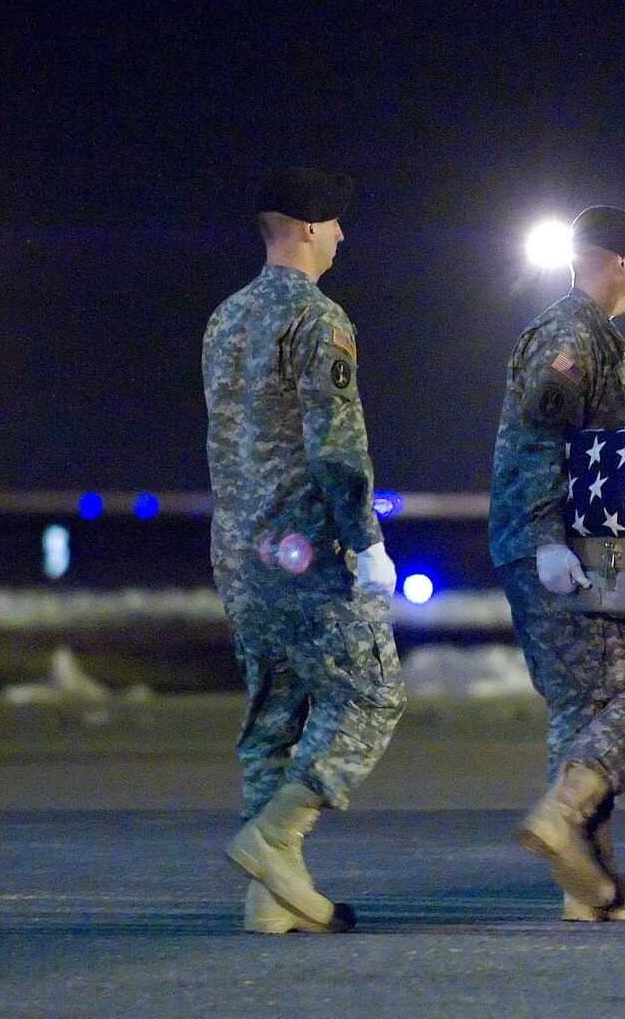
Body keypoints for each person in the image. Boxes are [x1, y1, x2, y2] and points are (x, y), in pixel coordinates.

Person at [201, 167, 406, 935]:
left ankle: (270, 901)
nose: (345, 237)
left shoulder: (225, 319)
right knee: (372, 693)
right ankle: (276, 835)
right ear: (312, 229)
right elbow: (337, 446)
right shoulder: (318, 320)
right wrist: (367, 541)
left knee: (273, 712)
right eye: (338, 224)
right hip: (302, 547)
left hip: (237, 547)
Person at [489, 205, 625, 921]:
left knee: (583, 708)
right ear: (616, 263)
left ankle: (592, 886)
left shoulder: (592, 337)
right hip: (558, 547)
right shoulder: (571, 336)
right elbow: (542, 439)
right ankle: (562, 815)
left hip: (563, 546)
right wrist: (546, 540)